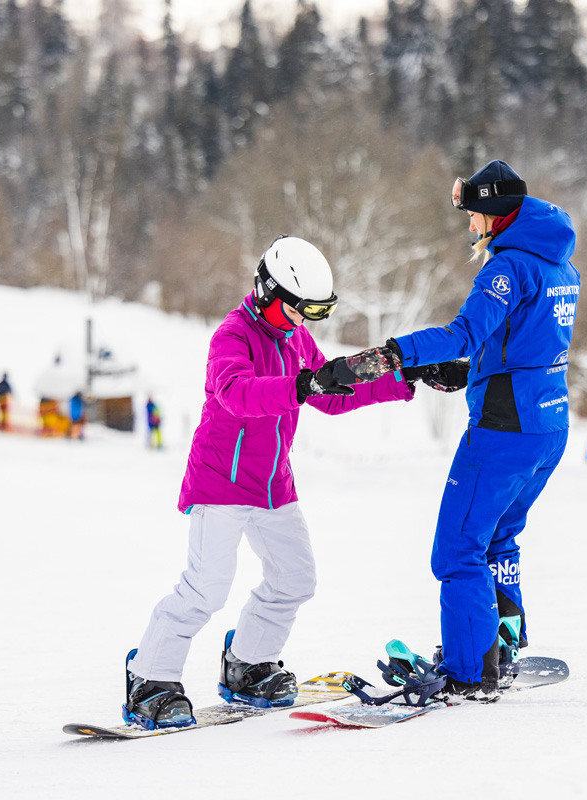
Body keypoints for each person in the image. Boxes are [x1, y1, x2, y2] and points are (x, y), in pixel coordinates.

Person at [123, 235, 449, 730]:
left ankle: (248, 663)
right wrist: (302, 384)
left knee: (295, 578)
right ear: (268, 292)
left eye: (314, 314)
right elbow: (237, 394)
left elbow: (332, 393)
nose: (305, 322)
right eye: (301, 311)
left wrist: (406, 379)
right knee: (206, 586)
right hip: (221, 482)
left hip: (273, 484)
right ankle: (149, 677)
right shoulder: (232, 337)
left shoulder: (296, 340)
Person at [336, 159, 580, 703]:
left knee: (457, 551)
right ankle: (500, 646)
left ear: (495, 214)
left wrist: (393, 356)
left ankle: (472, 670)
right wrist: (462, 373)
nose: (471, 226)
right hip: (548, 427)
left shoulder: (507, 268)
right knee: (498, 540)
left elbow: (464, 333)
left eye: (474, 215)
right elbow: (526, 348)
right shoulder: (560, 268)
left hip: (502, 431)